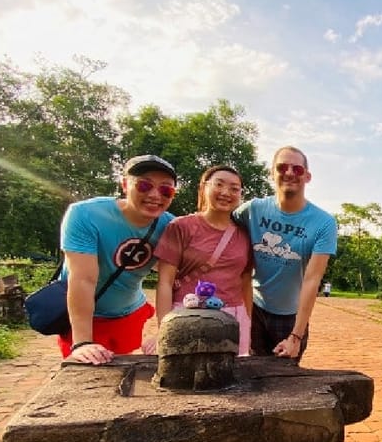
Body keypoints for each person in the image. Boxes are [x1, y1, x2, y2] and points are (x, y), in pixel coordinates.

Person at [59, 154, 177, 364]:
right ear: (124, 184)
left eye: (165, 189)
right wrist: (82, 342)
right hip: (85, 315)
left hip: (128, 313)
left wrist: (164, 333)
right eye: (144, 185)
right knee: (87, 369)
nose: (154, 195)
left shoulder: (171, 227)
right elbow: (83, 279)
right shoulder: (85, 215)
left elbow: (173, 280)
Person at [232, 146, 337, 362]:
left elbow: (312, 279)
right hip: (255, 307)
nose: (289, 173)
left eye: (297, 169)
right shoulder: (252, 210)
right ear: (272, 173)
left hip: (291, 315)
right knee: (248, 372)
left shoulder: (323, 223)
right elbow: (219, 224)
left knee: (284, 378)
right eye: (282, 167)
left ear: (307, 177)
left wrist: (296, 336)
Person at [150, 165, 253, 355]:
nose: (225, 192)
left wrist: (247, 323)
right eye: (218, 184)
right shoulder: (181, 226)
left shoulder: (246, 234)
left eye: (234, 188)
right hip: (188, 314)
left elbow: (246, 281)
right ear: (203, 188)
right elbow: (165, 282)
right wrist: (164, 328)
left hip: (234, 317)